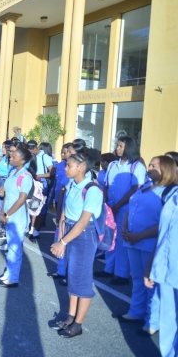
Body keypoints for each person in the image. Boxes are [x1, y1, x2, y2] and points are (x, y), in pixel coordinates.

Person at [114, 156, 177, 336]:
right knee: (137, 279)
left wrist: (139, 235)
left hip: (150, 243)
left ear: (165, 169)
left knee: (152, 284)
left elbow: (165, 224)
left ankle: (153, 322)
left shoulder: (168, 193)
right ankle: (136, 312)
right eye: (149, 164)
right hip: (132, 240)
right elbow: (132, 207)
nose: (148, 167)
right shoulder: (145, 187)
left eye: (153, 165)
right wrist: (125, 226)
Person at [50, 152, 103, 338]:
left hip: (84, 235)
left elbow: (83, 221)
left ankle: (78, 324)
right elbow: (65, 209)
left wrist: (63, 242)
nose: (65, 168)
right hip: (71, 231)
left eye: (68, 165)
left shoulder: (92, 189)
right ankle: (70, 316)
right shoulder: (73, 183)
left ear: (81, 168)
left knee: (82, 280)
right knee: (72, 277)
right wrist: (61, 233)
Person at [97, 136, 147, 286]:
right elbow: (106, 185)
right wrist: (105, 201)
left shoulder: (137, 166)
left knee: (121, 241)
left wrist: (118, 205)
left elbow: (135, 189)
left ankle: (122, 274)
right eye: (117, 145)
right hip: (111, 207)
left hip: (125, 209)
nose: (117, 149)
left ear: (129, 148)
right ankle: (108, 269)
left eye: (121, 146)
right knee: (110, 237)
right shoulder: (112, 165)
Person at [0, 147, 36, 287]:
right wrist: (2, 213)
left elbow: (21, 199)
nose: (10, 157)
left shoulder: (26, 177)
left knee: (15, 249)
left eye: (14, 156)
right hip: (8, 215)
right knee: (10, 247)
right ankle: (7, 274)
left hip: (17, 218)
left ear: (23, 161)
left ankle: (13, 278)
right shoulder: (13, 172)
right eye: (11, 155)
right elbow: (6, 193)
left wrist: (7, 214)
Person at [144, 186, 178, 357]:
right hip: (166, 270)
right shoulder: (173, 195)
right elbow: (162, 234)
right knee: (168, 324)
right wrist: (151, 265)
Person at [48, 143, 72, 284]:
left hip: (74, 216)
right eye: (64, 152)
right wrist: (58, 212)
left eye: (68, 152)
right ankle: (61, 270)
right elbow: (62, 189)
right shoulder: (63, 167)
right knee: (60, 237)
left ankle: (69, 274)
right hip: (62, 208)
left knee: (70, 244)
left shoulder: (84, 176)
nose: (64, 155)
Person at [26, 140, 53, 240]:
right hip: (32, 181)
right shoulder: (30, 156)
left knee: (40, 208)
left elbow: (51, 172)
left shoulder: (44, 156)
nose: (29, 151)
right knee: (33, 206)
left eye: (30, 150)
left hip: (41, 183)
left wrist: (38, 176)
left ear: (34, 148)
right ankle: (32, 228)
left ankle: (36, 230)